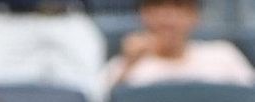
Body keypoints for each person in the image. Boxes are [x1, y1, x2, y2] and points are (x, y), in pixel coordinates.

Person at [102, 0, 255, 91]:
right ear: (143, 14)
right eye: (158, 7)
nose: (168, 18)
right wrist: (128, 65)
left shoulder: (223, 55)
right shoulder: (121, 67)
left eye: (179, 7)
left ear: (195, 16)